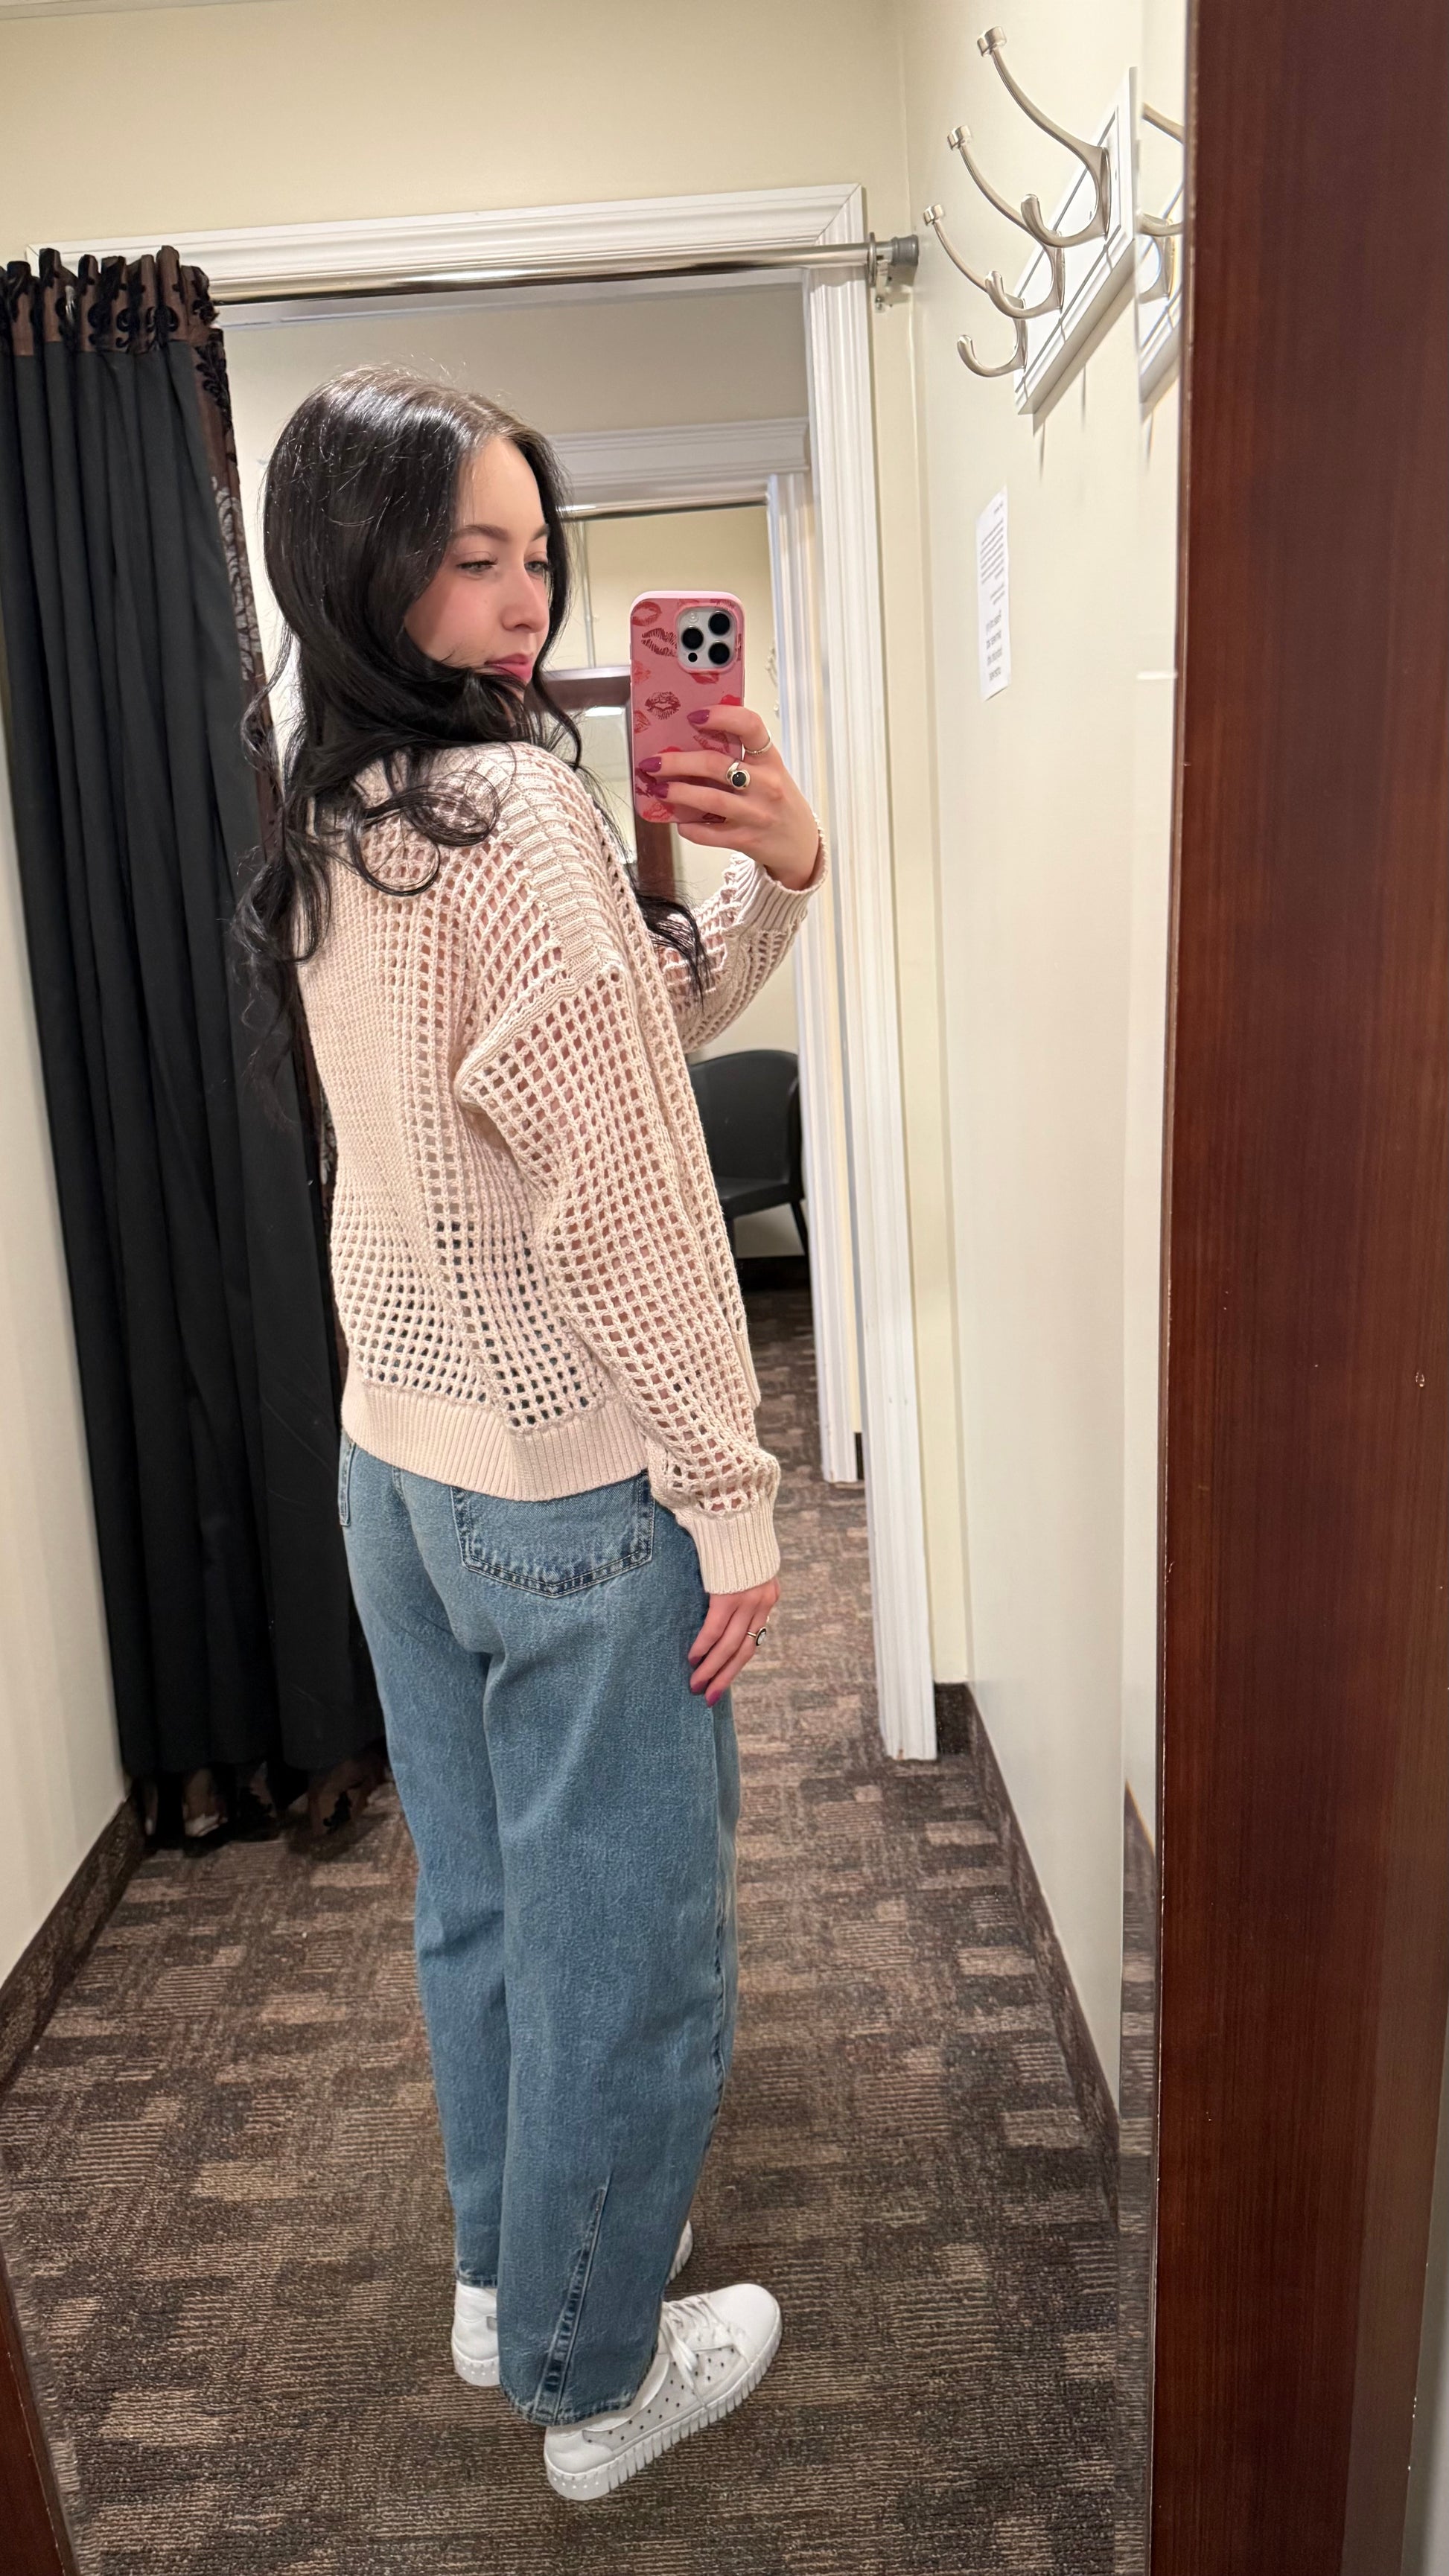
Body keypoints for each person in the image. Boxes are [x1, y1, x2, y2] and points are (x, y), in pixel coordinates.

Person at [239, 368, 826, 2501]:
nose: (521, 599)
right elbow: (631, 1180)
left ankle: (511, 2275)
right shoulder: (518, 812)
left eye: (535, 553)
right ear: (362, 568)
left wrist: (774, 882)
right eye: (466, 556)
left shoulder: (344, 812)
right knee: (636, 1954)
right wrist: (730, 1485)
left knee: (486, 1907)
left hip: (396, 1465)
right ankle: (595, 2385)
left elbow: (592, 1058)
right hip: (569, 1484)